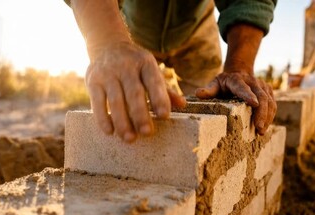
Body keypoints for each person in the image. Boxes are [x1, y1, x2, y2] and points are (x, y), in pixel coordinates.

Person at [65, 0, 278, 142]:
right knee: (126, 103)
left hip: (197, 29)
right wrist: (108, 42)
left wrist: (239, 65)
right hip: (133, 30)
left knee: (210, 111)